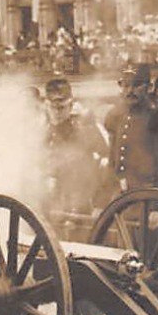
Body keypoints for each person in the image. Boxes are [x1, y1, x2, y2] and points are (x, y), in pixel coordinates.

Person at [41, 77, 112, 242]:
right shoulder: (44, 133)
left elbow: (107, 164)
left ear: (71, 106)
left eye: (61, 107)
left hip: (82, 206)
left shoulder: (87, 131)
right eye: (53, 107)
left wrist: (100, 204)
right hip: (51, 207)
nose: (57, 112)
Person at [103, 64, 158, 194]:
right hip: (120, 200)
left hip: (148, 198)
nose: (129, 91)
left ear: (149, 87)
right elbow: (112, 164)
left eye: (136, 86)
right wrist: (101, 202)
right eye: (125, 85)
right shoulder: (117, 117)